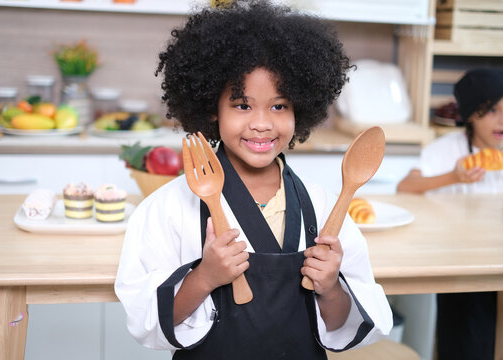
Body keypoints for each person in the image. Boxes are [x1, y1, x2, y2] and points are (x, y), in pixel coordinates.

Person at [115, 1, 392, 358]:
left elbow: (341, 323)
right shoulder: (170, 207)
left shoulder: (322, 206)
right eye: (243, 105)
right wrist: (204, 278)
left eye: (279, 106)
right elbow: (148, 322)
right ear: (212, 109)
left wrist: (330, 289)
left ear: (301, 109)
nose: (262, 123)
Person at [397, 68, 503, 360]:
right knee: (467, 334)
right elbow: (405, 187)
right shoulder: (445, 150)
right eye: (492, 110)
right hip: (461, 262)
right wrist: (453, 177)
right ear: (471, 114)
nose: (502, 120)